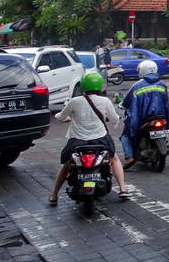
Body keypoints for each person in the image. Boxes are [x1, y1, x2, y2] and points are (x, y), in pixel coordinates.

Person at [48, 72, 129, 204]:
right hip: (101, 139)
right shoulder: (105, 101)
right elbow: (114, 119)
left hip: (77, 141)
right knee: (114, 159)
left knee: (67, 164)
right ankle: (123, 189)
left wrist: (66, 117)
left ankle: (54, 195)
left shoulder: (73, 101)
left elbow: (61, 117)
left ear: (83, 86)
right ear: (100, 86)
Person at [119, 60, 169, 169]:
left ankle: (129, 157)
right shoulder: (162, 84)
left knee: (125, 135)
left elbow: (127, 101)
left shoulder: (137, 85)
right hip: (160, 116)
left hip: (143, 118)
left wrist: (122, 104)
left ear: (142, 71)